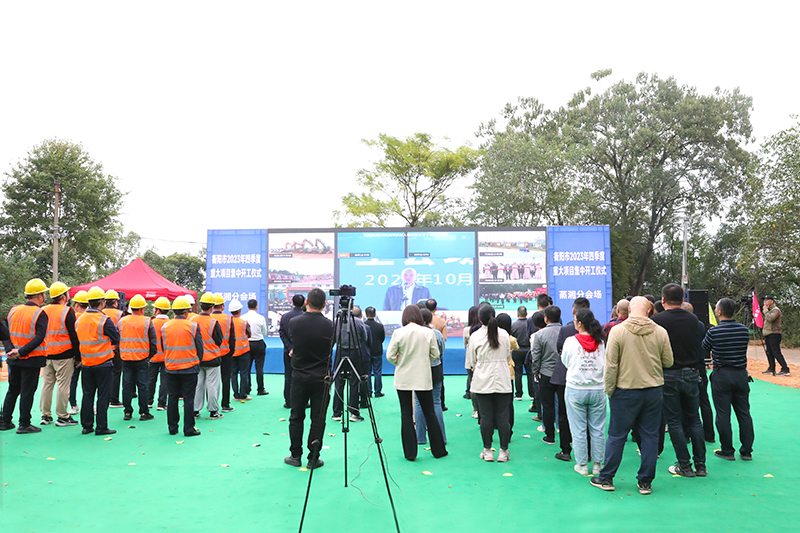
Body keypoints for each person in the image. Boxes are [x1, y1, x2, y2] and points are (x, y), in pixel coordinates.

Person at [590, 296, 673, 495]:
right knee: (650, 437)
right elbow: (668, 361)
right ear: (649, 310)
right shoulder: (660, 332)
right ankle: (645, 482)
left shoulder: (618, 331)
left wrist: (609, 389)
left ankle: (606, 478)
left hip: (624, 391)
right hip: (653, 390)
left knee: (617, 436)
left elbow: (610, 365)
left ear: (628, 309)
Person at [651, 283, 707, 478]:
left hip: (668, 374)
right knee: (694, 419)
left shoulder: (656, 320)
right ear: (683, 299)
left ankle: (684, 465)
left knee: (674, 421)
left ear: (663, 300)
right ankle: (701, 465)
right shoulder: (693, 319)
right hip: (691, 373)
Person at [387, 305, 447, 461]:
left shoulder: (398, 333)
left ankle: (410, 453)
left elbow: (390, 356)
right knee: (430, 412)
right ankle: (439, 450)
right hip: (423, 376)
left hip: (403, 378)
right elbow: (435, 354)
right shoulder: (428, 332)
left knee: (406, 414)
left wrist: (401, 362)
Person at [285, 288, 333, 470]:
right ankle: (313, 458)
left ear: (306, 302)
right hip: (322, 378)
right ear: (324, 305)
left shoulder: (294, 323)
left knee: (296, 417)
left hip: (299, 377)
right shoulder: (330, 325)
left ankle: (295, 455)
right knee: (318, 419)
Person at [702, 298, 755, 461]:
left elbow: (704, 347)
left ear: (719, 312)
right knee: (744, 413)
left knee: (723, 413)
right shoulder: (743, 330)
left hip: (722, 374)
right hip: (740, 374)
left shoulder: (714, 331)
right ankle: (746, 450)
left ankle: (727, 450)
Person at [561, 308, 606, 476]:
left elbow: (565, 361)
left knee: (578, 429)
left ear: (579, 323)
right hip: (597, 389)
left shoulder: (570, 341)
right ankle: (597, 464)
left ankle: (581, 464)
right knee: (598, 428)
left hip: (576, 389)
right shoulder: (601, 342)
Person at [1, 278, 50, 434]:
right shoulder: (40, 313)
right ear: (40, 296)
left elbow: (5, 334)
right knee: (27, 391)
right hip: (31, 359)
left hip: (13, 359)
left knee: (13, 389)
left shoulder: (14, 310)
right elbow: (39, 337)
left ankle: (5, 421)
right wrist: (21, 352)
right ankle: (24, 424)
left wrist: (10, 350)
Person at [467, 306, 513, 462]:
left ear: (480, 319)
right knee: (503, 417)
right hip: (502, 379)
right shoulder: (504, 334)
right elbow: (507, 355)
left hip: (482, 379)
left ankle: (487, 451)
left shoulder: (475, 336)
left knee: (485, 416)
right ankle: (503, 451)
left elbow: (472, 360)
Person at [76, 286, 121, 436]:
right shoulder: (104, 320)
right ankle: (101, 426)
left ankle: (86, 426)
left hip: (86, 363)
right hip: (103, 363)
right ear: (102, 302)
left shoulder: (80, 319)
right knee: (103, 395)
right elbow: (116, 337)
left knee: (87, 395)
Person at [39, 281, 80, 427]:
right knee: (63, 386)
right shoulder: (67, 311)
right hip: (64, 355)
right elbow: (74, 336)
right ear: (63, 296)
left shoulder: (43, 310)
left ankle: (45, 415)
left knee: (47, 385)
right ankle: (62, 416)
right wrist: (78, 357)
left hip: (46, 354)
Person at [161, 296, 203, 437]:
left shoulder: (165, 326)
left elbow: (163, 346)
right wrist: (198, 361)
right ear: (186, 312)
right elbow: (200, 348)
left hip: (171, 367)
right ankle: (189, 429)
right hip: (190, 367)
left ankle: (172, 428)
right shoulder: (193, 326)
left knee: (172, 397)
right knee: (188, 398)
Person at [531, 305, 567, 456]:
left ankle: (550, 435)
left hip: (546, 374)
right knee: (563, 407)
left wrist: (536, 372)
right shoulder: (567, 332)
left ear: (546, 318)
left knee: (547, 405)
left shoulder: (540, 334)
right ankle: (566, 437)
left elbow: (536, 356)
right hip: (564, 373)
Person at [118, 294, 157, 422]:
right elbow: (153, 342)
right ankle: (144, 412)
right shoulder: (147, 321)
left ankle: (127, 412)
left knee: (127, 386)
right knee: (143, 386)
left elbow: (118, 338)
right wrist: (149, 356)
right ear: (142, 309)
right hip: (142, 359)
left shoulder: (122, 321)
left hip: (126, 358)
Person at [331, 302, 367, 422]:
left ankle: (336, 413)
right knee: (354, 382)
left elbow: (333, 338)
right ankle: (354, 413)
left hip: (340, 352)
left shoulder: (336, 321)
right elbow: (364, 338)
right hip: (354, 353)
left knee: (338, 382)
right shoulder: (359, 322)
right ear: (352, 307)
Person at [415, 308, 446, 446]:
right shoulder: (437, 334)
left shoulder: (414, 334)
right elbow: (441, 352)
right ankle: (442, 438)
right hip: (435, 369)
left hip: (419, 369)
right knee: (436, 402)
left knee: (419, 403)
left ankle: (420, 438)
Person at [191, 292, 224, 419]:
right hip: (212, 359)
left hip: (197, 359)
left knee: (198, 385)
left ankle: (195, 411)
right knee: (212, 386)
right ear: (211, 307)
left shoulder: (193, 320)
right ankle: (213, 411)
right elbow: (219, 340)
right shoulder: (214, 322)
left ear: (200, 305)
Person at [279, 294, 306, 408]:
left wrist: (290, 347)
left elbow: (282, 333)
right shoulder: (306, 317)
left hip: (288, 351)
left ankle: (288, 401)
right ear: (304, 303)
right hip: (303, 352)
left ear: (292, 302)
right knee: (303, 376)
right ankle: (303, 401)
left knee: (288, 375)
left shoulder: (285, 316)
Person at [211, 293, 236, 413]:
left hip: (211, 354)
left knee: (211, 382)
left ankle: (212, 405)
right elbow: (232, 337)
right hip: (226, 353)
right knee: (226, 379)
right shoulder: (228, 318)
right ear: (222, 306)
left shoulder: (208, 318)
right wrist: (231, 352)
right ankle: (225, 404)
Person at [68, 290, 89, 415]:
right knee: (88, 384)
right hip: (88, 355)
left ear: (76, 305)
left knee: (73, 381)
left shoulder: (72, 317)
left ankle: (73, 405)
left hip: (74, 354)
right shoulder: (90, 318)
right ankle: (90, 405)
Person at [147, 297, 171, 411]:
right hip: (167, 357)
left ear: (157, 310)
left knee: (151, 379)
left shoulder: (151, 322)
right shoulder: (170, 323)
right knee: (165, 380)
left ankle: (148, 401)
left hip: (153, 356)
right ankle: (162, 403)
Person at [102, 289, 125, 409]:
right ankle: (114, 399)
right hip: (116, 348)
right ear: (116, 302)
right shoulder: (120, 314)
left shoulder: (100, 312)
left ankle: (105, 397)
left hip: (103, 348)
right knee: (116, 373)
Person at [243, 299, 270, 395]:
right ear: (256, 306)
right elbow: (265, 332)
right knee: (259, 367)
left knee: (246, 368)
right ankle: (260, 389)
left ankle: (246, 389)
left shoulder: (243, 317)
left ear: (247, 306)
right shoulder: (261, 318)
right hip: (258, 343)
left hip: (247, 344)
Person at [426, 298, 448, 410]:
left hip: (423, 355)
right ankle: (441, 403)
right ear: (436, 308)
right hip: (437, 355)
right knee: (439, 379)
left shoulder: (420, 321)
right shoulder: (441, 321)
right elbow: (444, 338)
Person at [229, 299, 252, 402]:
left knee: (233, 374)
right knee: (244, 373)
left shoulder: (228, 322)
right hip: (244, 351)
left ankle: (236, 395)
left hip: (231, 352)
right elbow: (249, 334)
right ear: (239, 311)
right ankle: (243, 394)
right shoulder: (244, 322)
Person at [762, 295, 790, 376]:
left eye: (767, 300)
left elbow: (770, 318)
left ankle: (785, 369)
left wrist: (765, 310)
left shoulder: (776, 310)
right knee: (769, 352)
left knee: (776, 352)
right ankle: (771, 368)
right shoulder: (769, 310)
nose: (765, 301)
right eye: (764, 300)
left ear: (772, 301)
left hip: (775, 334)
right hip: (768, 333)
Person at [510, 306, 533, 401]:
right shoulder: (531, 324)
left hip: (517, 350)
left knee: (518, 373)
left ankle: (518, 394)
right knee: (530, 373)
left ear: (517, 314)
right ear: (526, 314)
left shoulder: (513, 325)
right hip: (529, 350)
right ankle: (532, 394)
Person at [364, 306, 386, 398]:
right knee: (378, 372)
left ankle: (368, 392)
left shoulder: (363, 325)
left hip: (367, 352)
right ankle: (377, 392)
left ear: (365, 315)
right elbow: (382, 338)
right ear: (375, 314)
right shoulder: (380, 326)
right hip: (377, 351)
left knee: (367, 372)